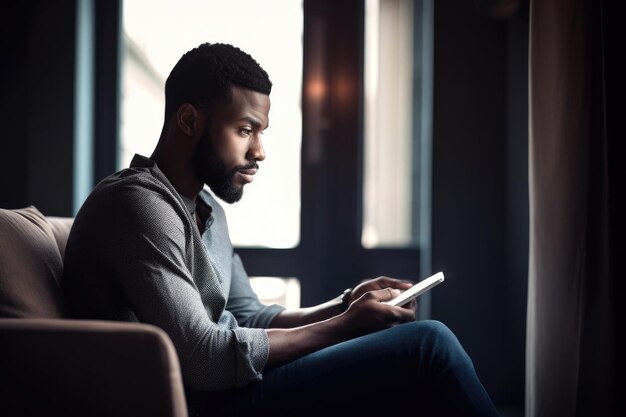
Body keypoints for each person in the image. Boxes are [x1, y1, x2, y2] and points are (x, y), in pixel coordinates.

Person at [62, 42, 499, 417]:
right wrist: (346, 325)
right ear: (190, 121)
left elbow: (251, 316)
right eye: (244, 130)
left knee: (416, 359)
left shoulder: (205, 208)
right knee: (428, 345)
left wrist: (347, 304)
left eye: (261, 131)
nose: (260, 151)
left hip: (232, 387)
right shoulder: (138, 206)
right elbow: (203, 360)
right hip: (201, 402)